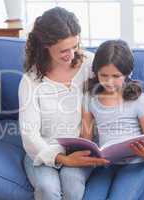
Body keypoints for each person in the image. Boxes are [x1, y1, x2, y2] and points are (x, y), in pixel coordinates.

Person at [18, 7, 110, 200]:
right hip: (44, 148)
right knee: (47, 189)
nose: (71, 54)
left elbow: (117, 93)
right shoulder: (31, 80)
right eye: (63, 50)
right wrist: (63, 159)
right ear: (45, 46)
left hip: (83, 147)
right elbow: (30, 135)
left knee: (72, 185)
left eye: (74, 46)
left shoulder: (90, 64)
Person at [81, 39, 144, 200]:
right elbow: (86, 138)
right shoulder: (89, 98)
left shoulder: (138, 99)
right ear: (95, 71)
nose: (109, 82)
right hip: (105, 163)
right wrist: (87, 152)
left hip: (136, 163)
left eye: (116, 76)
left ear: (128, 73)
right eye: (103, 75)